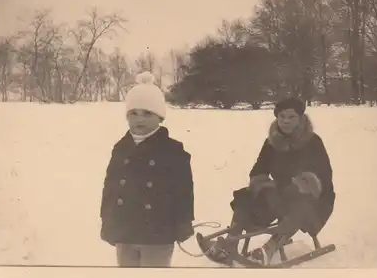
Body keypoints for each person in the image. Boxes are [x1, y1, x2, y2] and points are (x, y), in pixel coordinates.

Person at [201, 97, 335, 266]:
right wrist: (262, 184)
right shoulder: (272, 141)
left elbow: (323, 175)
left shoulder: (312, 142)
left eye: (291, 117)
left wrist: (302, 185)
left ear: (301, 118)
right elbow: (258, 169)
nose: (285, 121)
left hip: (313, 197)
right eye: (282, 116)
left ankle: (269, 248)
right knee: (246, 197)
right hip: (279, 191)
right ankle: (230, 243)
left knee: (298, 203)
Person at [100, 71, 195, 267]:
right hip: (125, 232)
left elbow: (184, 191)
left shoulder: (173, 150)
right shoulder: (121, 148)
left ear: (160, 117)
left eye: (147, 113)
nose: (139, 119)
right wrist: (108, 221)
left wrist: (183, 223)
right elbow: (110, 188)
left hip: (157, 233)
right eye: (133, 113)